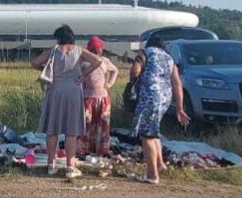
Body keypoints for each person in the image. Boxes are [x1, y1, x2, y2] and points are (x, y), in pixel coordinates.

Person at [31, 25, 104, 178]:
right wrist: (83, 75)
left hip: (55, 89)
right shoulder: (79, 50)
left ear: (59, 37)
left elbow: (35, 62)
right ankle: (70, 165)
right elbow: (97, 61)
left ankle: (51, 164)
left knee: (52, 128)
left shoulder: (54, 50)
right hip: (73, 90)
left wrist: (46, 70)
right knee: (71, 130)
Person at [131, 35, 189, 184]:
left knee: (147, 135)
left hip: (149, 95)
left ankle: (152, 174)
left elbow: (135, 70)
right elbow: (176, 84)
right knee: (154, 130)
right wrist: (180, 108)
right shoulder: (169, 59)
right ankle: (160, 164)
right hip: (165, 98)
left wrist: (135, 82)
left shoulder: (146, 52)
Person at [79, 36, 118, 156]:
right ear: (89, 49)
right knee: (86, 123)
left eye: (99, 48)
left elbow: (115, 70)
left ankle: (101, 149)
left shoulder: (104, 61)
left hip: (103, 97)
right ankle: (84, 149)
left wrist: (109, 83)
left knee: (103, 123)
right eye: (94, 48)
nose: (97, 50)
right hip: (87, 97)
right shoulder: (83, 61)